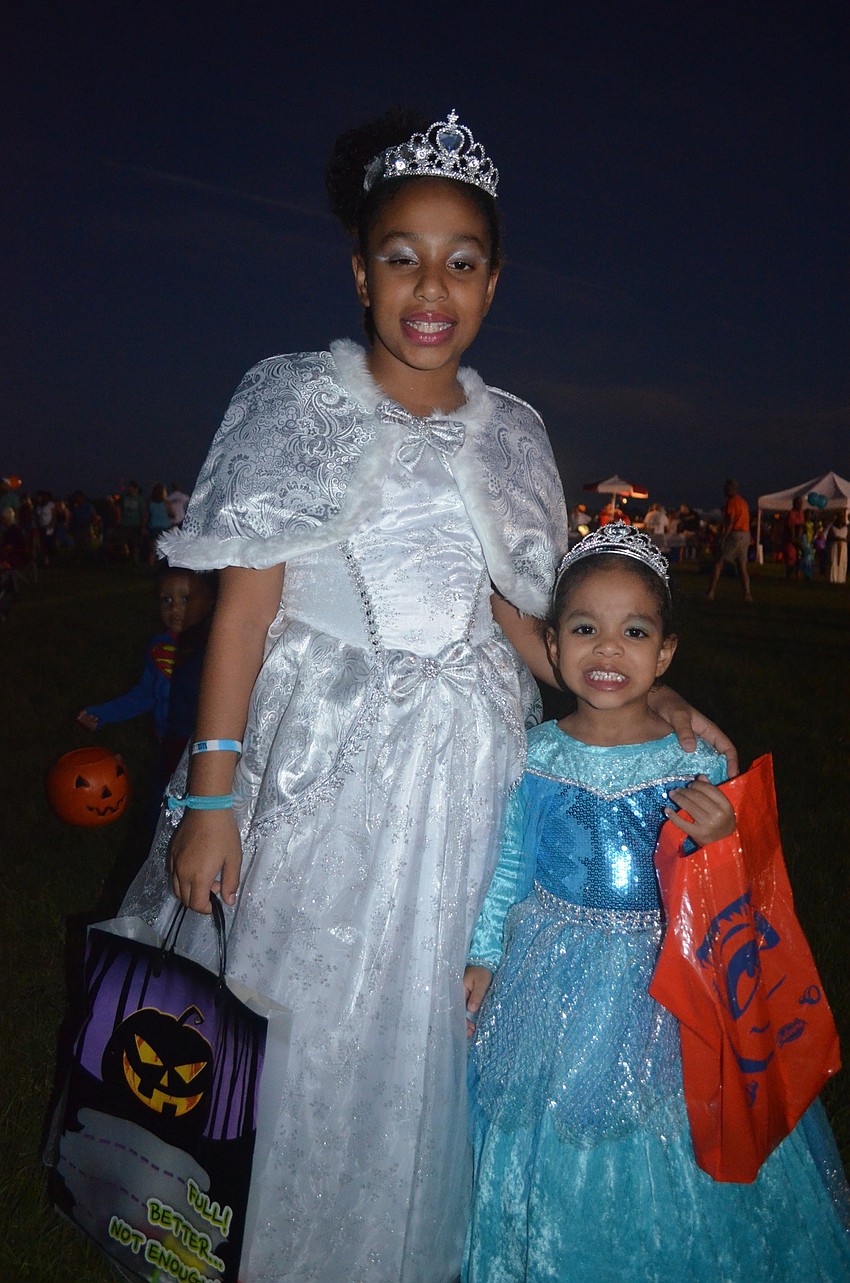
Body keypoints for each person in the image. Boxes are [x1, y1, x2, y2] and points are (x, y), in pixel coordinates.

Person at [119, 109, 735, 1283]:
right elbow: (243, 614)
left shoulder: (512, 434)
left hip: (462, 770)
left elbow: (527, 619)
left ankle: (393, 1243)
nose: (429, 285)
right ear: (359, 270)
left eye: (460, 260)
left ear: (494, 283)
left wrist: (659, 707)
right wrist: (213, 794)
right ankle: (271, 1239)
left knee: (429, 1023)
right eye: (401, 254)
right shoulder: (295, 400)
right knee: (294, 1007)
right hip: (322, 765)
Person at [462, 525, 850, 1283]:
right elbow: (509, 860)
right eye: (585, 629)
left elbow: (733, 894)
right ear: (551, 641)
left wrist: (720, 834)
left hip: (669, 979)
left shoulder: (693, 757)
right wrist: (484, 951)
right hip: (553, 971)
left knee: (664, 1117)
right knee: (552, 1122)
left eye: (633, 631)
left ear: (665, 653)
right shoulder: (537, 752)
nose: (608, 650)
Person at [78, 567, 216, 797]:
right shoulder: (158, 647)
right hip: (167, 747)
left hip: (205, 752)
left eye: (185, 599)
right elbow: (145, 695)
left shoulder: (213, 648)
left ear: (210, 600)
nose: (174, 608)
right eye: (166, 600)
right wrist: (102, 713)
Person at [706, 479, 752, 601]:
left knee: (719, 562)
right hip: (745, 534)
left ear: (731, 489)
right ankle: (747, 594)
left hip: (734, 535)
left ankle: (711, 592)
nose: (724, 491)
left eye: (726, 488)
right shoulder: (744, 502)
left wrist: (722, 537)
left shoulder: (731, 503)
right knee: (742, 565)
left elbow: (730, 522)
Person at [782, 493, 805, 579]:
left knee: (799, 557)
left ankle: (797, 575)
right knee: (791, 557)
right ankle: (788, 576)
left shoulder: (801, 514)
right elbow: (791, 530)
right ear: (794, 504)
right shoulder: (791, 514)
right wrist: (796, 541)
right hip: (790, 539)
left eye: (801, 503)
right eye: (798, 503)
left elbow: (801, 526)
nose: (800, 505)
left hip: (798, 538)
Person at [828, 511, 848, 584]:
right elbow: (829, 537)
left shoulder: (846, 528)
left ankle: (841, 579)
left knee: (843, 561)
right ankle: (834, 578)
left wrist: (842, 539)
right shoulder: (833, 528)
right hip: (835, 545)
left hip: (843, 546)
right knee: (834, 561)